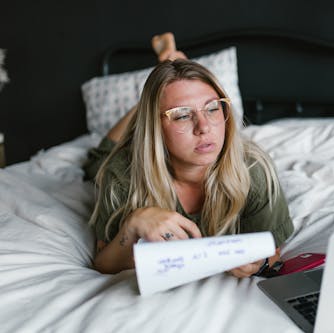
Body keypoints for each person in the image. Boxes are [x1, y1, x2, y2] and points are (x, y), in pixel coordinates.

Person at [84, 32, 293, 277]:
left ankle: (170, 75)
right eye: (182, 115)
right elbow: (103, 264)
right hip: (131, 151)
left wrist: (259, 263)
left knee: (171, 93)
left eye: (213, 108)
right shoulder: (120, 175)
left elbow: (271, 252)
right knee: (97, 160)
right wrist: (132, 225)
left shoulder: (254, 170)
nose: (204, 127)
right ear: (154, 128)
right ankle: (158, 86)